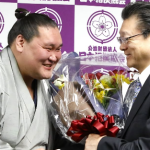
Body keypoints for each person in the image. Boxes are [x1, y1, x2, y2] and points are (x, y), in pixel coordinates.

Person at [0, 8, 84, 150]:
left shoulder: (45, 82)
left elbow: (51, 136)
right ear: (21, 42)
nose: (54, 57)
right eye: (48, 48)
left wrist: (92, 142)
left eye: (58, 49)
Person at [85, 1, 150, 150]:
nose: (121, 46)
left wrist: (101, 144)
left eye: (126, 38)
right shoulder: (136, 86)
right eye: (120, 40)